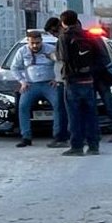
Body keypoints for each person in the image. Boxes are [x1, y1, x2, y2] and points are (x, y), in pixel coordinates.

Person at [56, 10, 101, 156]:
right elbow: (98, 56)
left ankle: (77, 146)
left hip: (72, 80)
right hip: (88, 80)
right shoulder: (88, 35)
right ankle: (94, 146)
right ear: (77, 20)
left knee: (74, 115)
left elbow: (64, 57)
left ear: (62, 22)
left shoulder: (64, 36)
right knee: (91, 114)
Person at [10, 30, 62, 147]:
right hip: (30, 84)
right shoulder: (22, 51)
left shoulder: (50, 49)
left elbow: (60, 64)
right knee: (23, 106)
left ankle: (58, 135)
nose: (35, 46)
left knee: (58, 104)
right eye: (32, 43)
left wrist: (57, 78)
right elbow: (14, 68)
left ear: (41, 41)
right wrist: (22, 81)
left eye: (37, 43)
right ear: (28, 41)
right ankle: (26, 136)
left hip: (49, 84)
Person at [43, 17, 70, 147]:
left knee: (62, 110)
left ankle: (62, 137)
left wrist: (50, 56)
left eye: (53, 32)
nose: (53, 35)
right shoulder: (69, 37)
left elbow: (61, 57)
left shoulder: (63, 39)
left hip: (64, 81)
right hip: (68, 80)